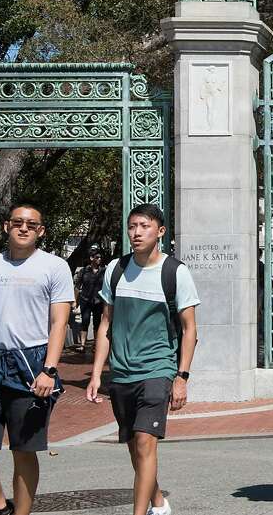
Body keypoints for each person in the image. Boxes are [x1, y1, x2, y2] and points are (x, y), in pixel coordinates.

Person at [0, 202, 73, 515]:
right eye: (17, 222)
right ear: (7, 226)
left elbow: (59, 322)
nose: (23, 228)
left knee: (23, 449)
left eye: (31, 224)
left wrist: (49, 369)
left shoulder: (55, 267)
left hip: (33, 364)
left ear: (40, 231)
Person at [88, 204, 199, 515]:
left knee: (145, 441)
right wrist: (97, 373)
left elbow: (190, 329)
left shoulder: (175, 272)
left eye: (144, 226)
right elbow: (105, 324)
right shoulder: (116, 269)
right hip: (121, 372)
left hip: (157, 368)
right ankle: (158, 501)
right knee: (135, 446)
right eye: (132, 226)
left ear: (160, 231)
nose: (136, 233)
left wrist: (182, 376)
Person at [75, 248, 107, 352]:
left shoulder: (104, 271)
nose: (99, 259)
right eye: (97, 257)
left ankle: (95, 344)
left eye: (100, 257)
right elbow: (77, 286)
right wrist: (75, 301)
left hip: (98, 301)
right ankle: (82, 345)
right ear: (91, 258)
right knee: (85, 321)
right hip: (85, 300)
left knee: (97, 323)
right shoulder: (84, 271)